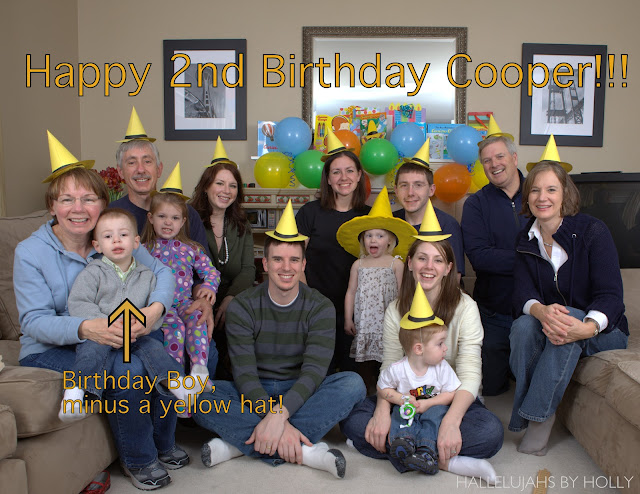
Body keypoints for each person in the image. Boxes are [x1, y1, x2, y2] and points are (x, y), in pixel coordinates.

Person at [14, 132, 187, 491]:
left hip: (117, 337)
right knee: (130, 370)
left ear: (102, 204)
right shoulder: (30, 252)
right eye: (67, 199)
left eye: (88, 199)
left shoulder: (113, 239)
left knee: (153, 353)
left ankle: (161, 443)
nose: (78, 208)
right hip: (52, 348)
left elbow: (163, 273)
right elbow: (33, 322)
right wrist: (86, 328)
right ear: (52, 206)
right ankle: (139, 459)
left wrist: (155, 310)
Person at [193, 202, 366, 478]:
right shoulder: (242, 306)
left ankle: (241, 444)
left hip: (300, 390)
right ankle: (303, 450)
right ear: (265, 263)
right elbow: (245, 374)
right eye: (277, 259)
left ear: (303, 264)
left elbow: (313, 372)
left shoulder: (320, 307)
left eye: (294, 260)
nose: (286, 267)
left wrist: (280, 414)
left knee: (352, 384)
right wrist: (274, 416)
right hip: (252, 391)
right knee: (196, 393)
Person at [340, 205, 503, 475]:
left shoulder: (466, 308)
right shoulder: (396, 309)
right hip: (404, 398)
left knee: (490, 433)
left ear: (448, 268)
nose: (429, 267)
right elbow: (389, 367)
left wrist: (451, 421)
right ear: (410, 263)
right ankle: (441, 457)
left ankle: (403, 448)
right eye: (422, 258)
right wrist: (381, 410)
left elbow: (470, 373)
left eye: (438, 260)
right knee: (351, 420)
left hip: (448, 397)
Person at [509, 158, 628, 456]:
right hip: (556, 326)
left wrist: (585, 328)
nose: (542, 197)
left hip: (605, 332)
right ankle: (532, 413)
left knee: (568, 316)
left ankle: (537, 421)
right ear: (527, 197)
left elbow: (611, 296)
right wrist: (540, 311)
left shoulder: (592, 231)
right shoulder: (525, 237)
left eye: (551, 189)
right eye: (535, 190)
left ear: (565, 193)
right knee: (523, 326)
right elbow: (521, 291)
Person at [62, 208, 201, 422]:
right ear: (97, 246)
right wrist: (104, 323)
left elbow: (154, 313)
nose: (116, 240)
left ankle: (179, 387)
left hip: (135, 336)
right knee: (90, 353)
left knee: (155, 349)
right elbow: (78, 303)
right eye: (108, 236)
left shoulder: (147, 275)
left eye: (123, 235)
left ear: (136, 242)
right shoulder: (93, 272)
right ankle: (74, 395)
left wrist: (142, 324)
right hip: (101, 334)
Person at [377, 283, 496, 482]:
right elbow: (383, 388)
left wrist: (429, 404)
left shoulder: (442, 368)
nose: (445, 349)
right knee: (387, 416)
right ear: (418, 349)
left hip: (435, 409)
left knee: (482, 429)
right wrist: (400, 399)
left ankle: (424, 450)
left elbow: (451, 393)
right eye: (440, 344)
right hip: (407, 412)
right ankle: (412, 448)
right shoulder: (398, 368)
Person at [460, 117, 528, 396]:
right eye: (486, 160)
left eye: (499, 156)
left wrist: (508, 259)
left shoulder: (539, 194)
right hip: (493, 310)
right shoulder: (476, 204)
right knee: (491, 388)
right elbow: (480, 258)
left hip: (535, 308)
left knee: (529, 382)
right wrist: (532, 259)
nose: (494, 164)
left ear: (513, 158)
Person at [296, 131, 370, 372]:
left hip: (357, 313)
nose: (343, 177)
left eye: (349, 171)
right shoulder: (309, 213)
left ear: (359, 175)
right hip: (316, 310)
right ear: (327, 179)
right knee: (318, 372)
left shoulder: (370, 217)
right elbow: (295, 261)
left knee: (353, 377)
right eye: (336, 172)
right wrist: (309, 303)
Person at [141, 170, 221, 388]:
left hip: (185, 302)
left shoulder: (191, 249)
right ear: (151, 218)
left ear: (183, 221)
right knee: (175, 331)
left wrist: (209, 287)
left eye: (175, 218)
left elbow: (211, 271)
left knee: (197, 318)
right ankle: (176, 383)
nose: (168, 222)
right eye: (162, 217)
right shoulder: (144, 250)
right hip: (160, 307)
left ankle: (199, 371)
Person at [189, 137, 256, 379]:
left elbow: (248, 269)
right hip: (195, 298)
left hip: (232, 300)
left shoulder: (242, 225)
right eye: (219, 183)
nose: (226, 191)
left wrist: (230, 298)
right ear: (206, 186)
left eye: (232, 185)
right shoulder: (188, 221)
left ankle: (236, 388)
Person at [337, 187, 414, 392]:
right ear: (363, 240)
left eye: (380, 235)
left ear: (389, 240)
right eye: (369, 235)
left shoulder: (396, 264)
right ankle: (368, 392)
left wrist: (404, 318)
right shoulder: (359, 264)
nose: (373, 240)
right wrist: (348, 319)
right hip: (365, 324)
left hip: (388, 323)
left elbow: (403, 292)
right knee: (365, 364)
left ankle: (390, 392)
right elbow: (350, 292)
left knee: (389, 361)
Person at [393, 139, 465, 279]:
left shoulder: (448, 225)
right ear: (396, 190)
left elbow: (454, 279)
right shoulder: (389, 222)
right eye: (404, 185)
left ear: (431, 190)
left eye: (418, 185)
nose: (410, 193)